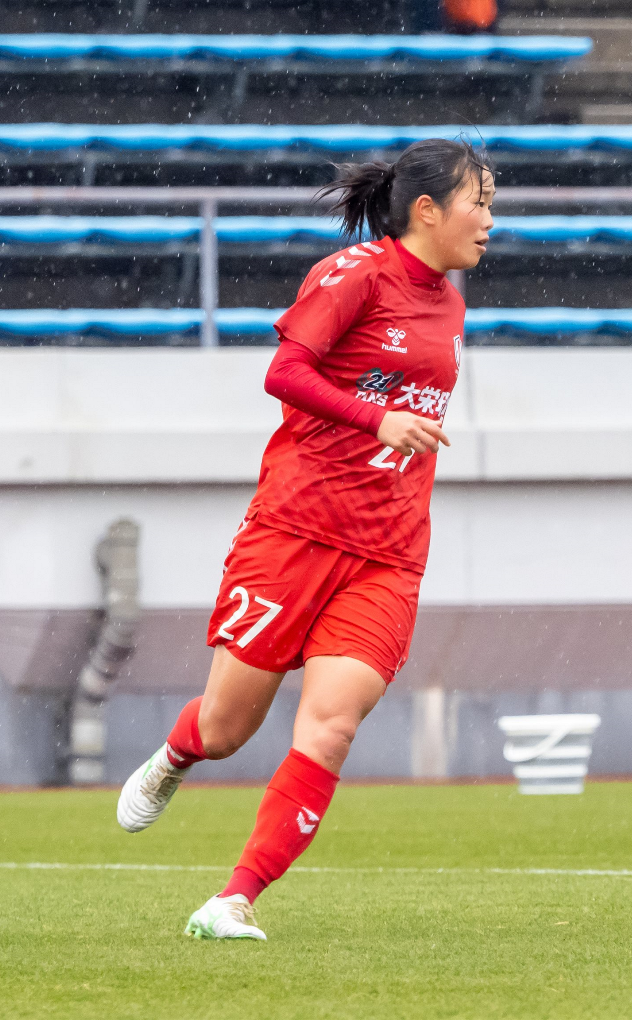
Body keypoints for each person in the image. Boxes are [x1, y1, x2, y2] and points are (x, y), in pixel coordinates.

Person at [115, 138, 495, 941]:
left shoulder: (451, 305)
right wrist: (377, 418)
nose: (491, 221)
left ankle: (234, 898)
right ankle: (175, 757)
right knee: (226, 730)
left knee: (332, 724)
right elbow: (284, 373)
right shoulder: (354, 275)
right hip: (295, 532)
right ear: (428, 210)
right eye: (481, 202)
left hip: (389, 553)